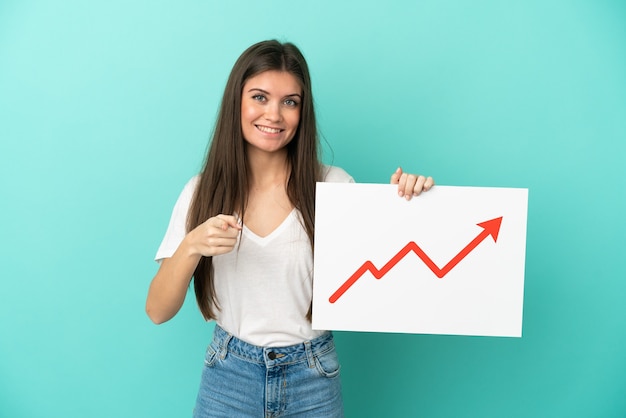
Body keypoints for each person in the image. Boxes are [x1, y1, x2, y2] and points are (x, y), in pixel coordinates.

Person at [145, 40, 434, 417]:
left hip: (312, 376)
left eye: (290, 102)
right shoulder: (203, 191)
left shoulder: (334, 187)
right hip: (228, 375)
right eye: (260, 97)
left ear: (303, 111)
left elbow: (395, 265)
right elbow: (157, 310)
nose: (274, 114)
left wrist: (412, 201)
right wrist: (191, 245)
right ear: (237, 102)